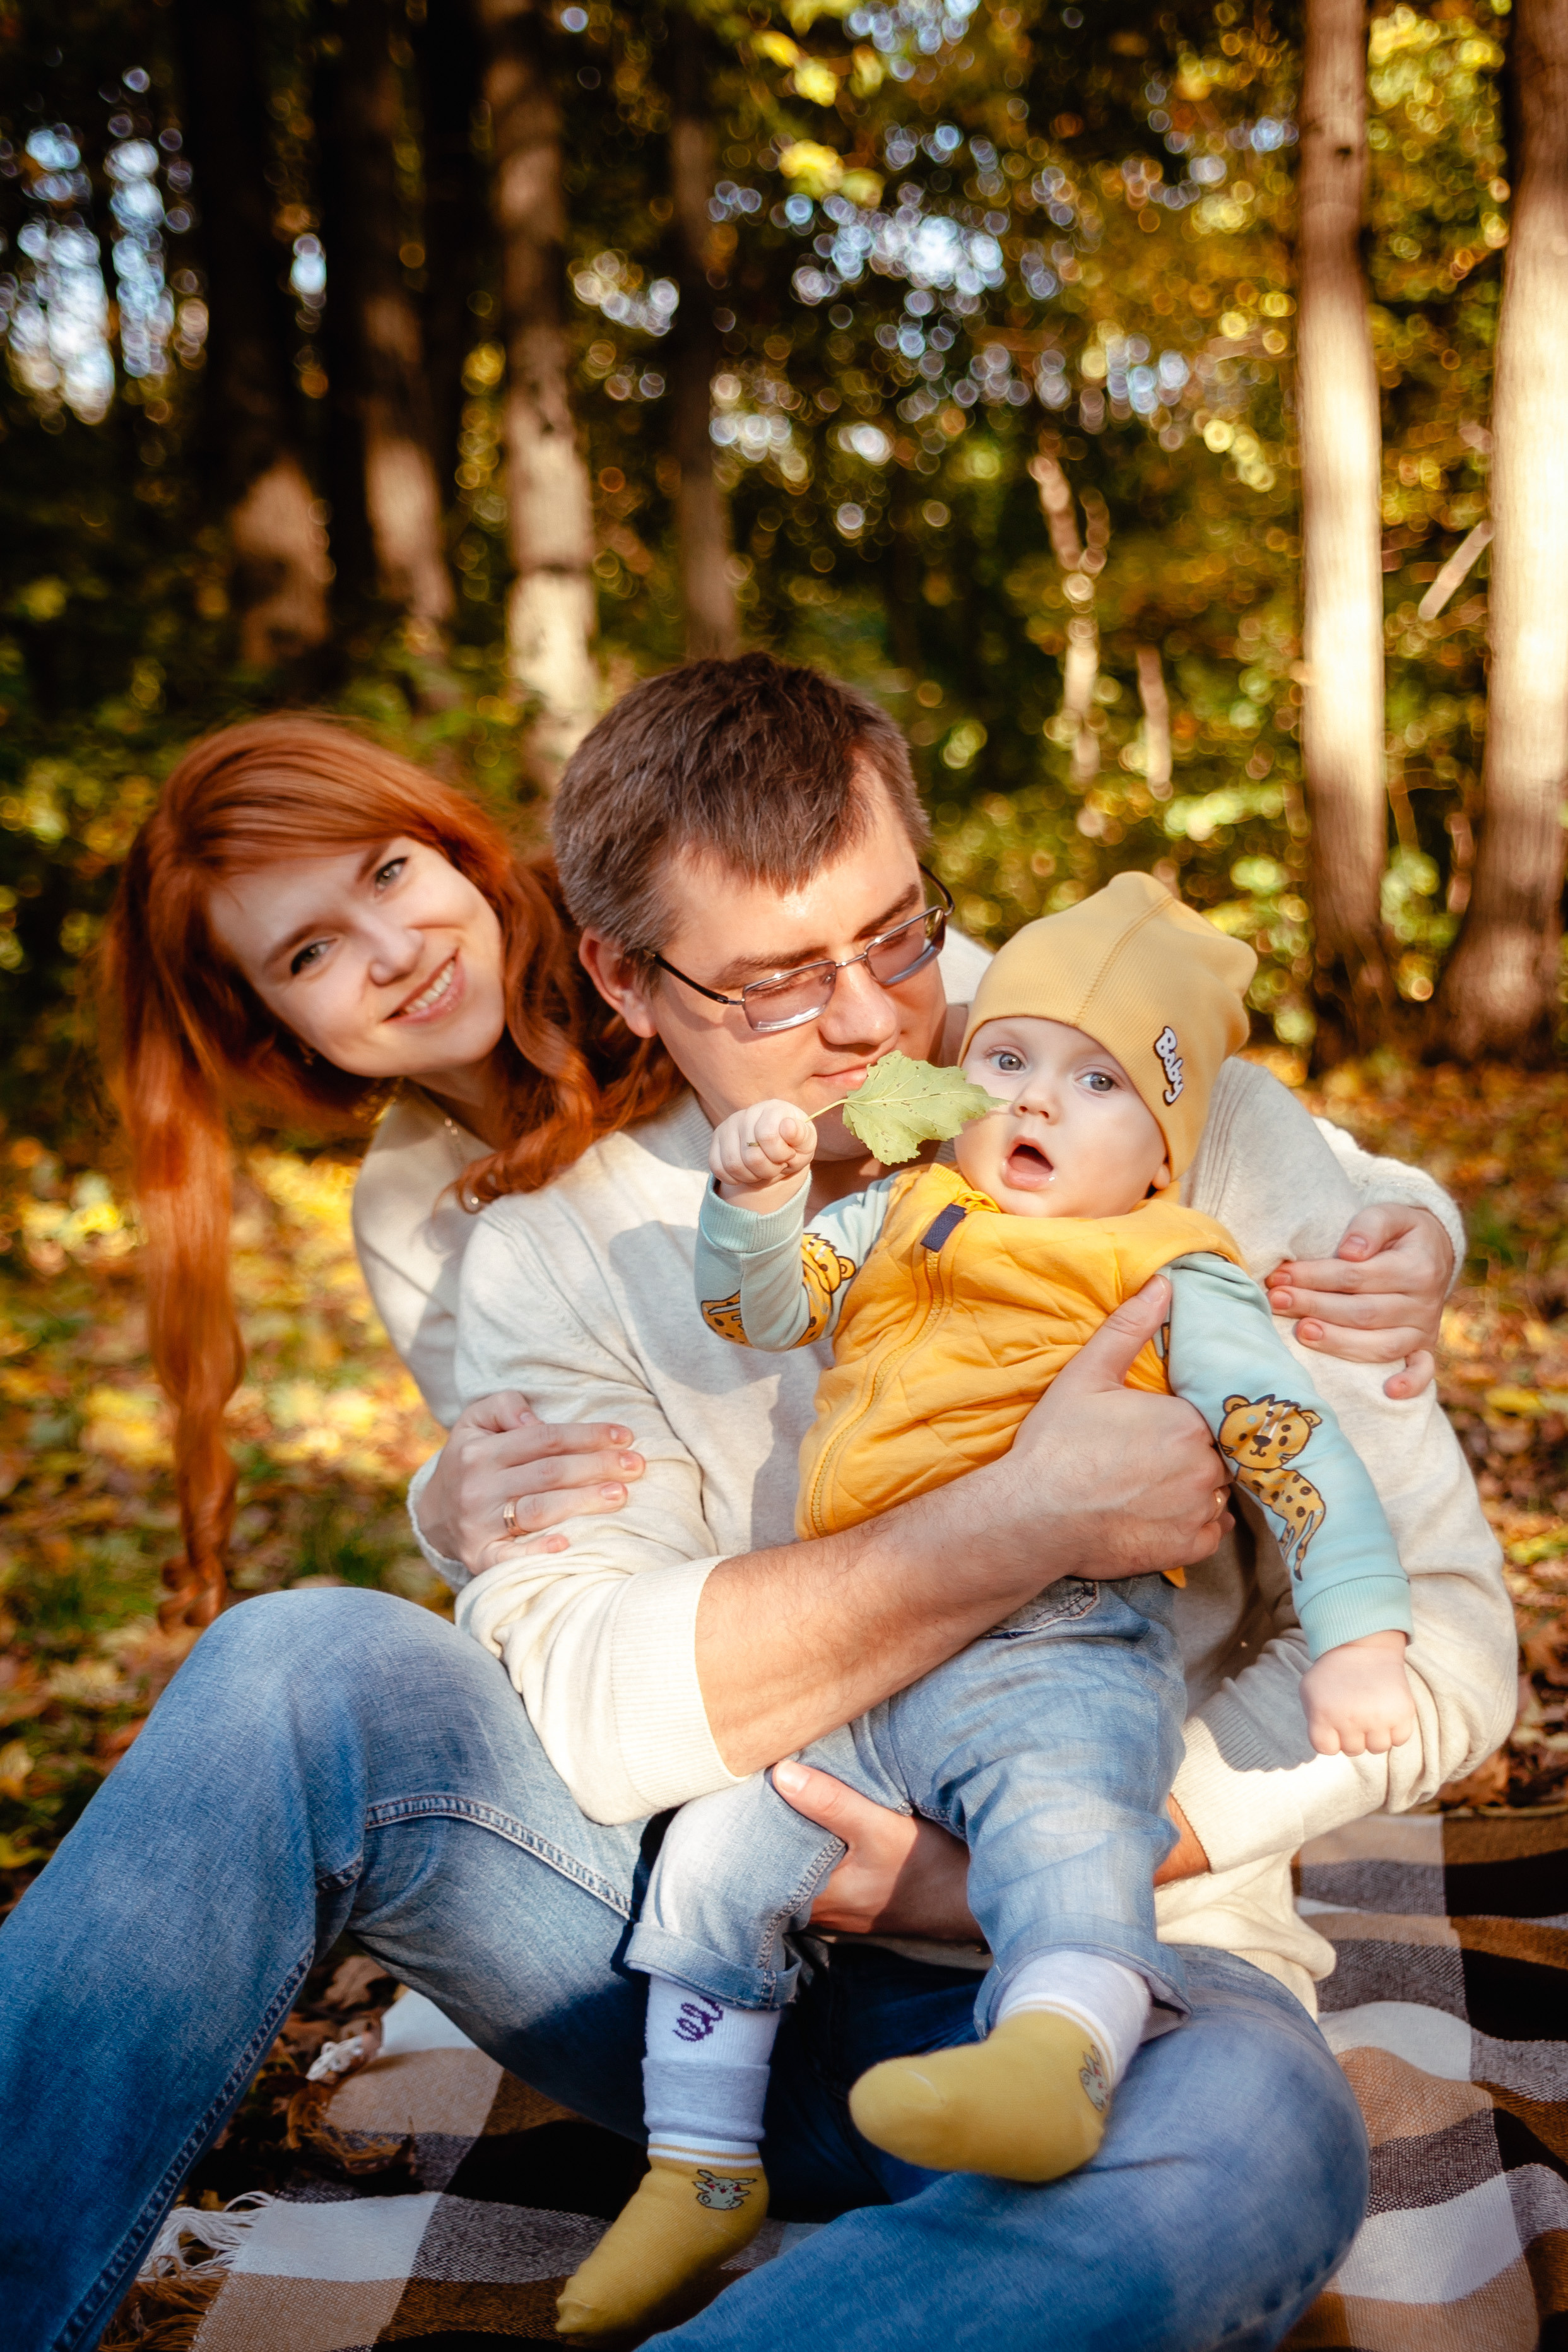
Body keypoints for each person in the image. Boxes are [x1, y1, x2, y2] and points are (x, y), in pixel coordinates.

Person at [0, 665, 1501, 2352]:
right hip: (670, 1939)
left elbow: (1440, 1632)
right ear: (623, 978)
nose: (871, 1024)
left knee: (1252, 2141)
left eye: (897, 938)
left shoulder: (1126, 1080)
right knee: (294, 1669)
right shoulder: (520, 1232)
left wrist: (1008, 1874)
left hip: (1091, 1958)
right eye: (780, 980)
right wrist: (1020, 1516)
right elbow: (582, 1698)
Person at [555, 874, 1436, 2339]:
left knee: (1066, 1825)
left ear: (1160, 1146)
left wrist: (1363, 1632)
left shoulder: (1168, 1266)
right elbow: (760, 1305)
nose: (1036, 1099)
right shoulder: (905, 1209)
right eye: (1010, 1059)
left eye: (1097, 1080)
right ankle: (701, 2160)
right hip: (871, 1655)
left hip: (1058, 1644)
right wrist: (757, 1203)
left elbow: (1296, 1445)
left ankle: (1054, 2054)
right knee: (717, 1852)